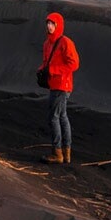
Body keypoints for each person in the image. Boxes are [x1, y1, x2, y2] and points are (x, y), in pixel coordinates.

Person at [39, 11, 79, 164]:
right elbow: (46, 62)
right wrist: (41, 70)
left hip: (63, 85)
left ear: (58, 25)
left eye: (52, 24)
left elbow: (74, 64)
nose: (49, 26)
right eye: (48, 23)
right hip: (54, 84)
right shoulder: (47, 43)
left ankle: (58, 153)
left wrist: (54, 70)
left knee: (54, 117)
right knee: (62, 117)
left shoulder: (65, 42)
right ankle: (65, 153)